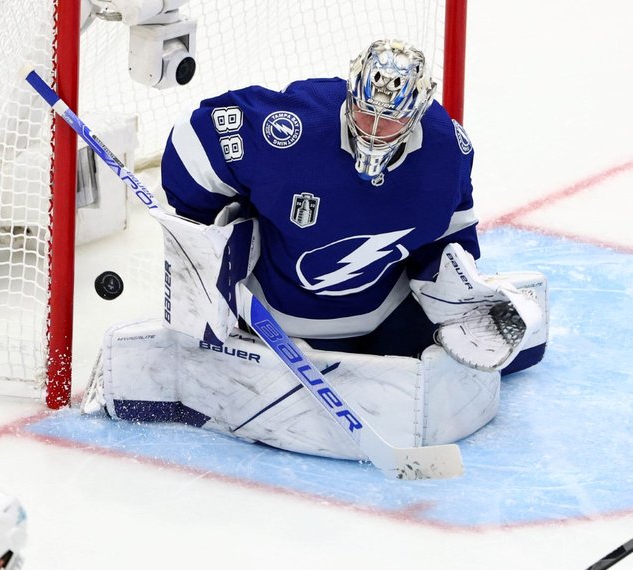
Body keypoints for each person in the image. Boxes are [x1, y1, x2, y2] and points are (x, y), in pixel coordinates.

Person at [85, 39, 548, 460]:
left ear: (419, 109)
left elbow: (450, 229)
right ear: (351, 93)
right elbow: (192, 144)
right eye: (366, 112)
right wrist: (206, 236)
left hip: (383, 311)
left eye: (392, 120)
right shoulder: (290, 128)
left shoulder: (447, 149)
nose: (375, 128)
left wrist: (454, 288)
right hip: (275, 320)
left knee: (462, 342)